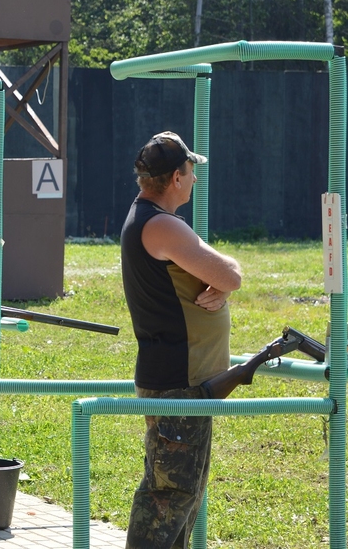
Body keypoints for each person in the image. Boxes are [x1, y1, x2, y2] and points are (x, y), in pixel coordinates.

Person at [120, 131, 243, 548]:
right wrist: (225, 282)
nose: (194, 179)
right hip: (178, 380)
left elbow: (218, 271)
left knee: (180, 496)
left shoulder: (154, 221)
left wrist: (222, 282)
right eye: (191, 172)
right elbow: (230, 274)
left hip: (180, 379)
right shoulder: (160, 226)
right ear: (176, 177)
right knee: (167, 497)